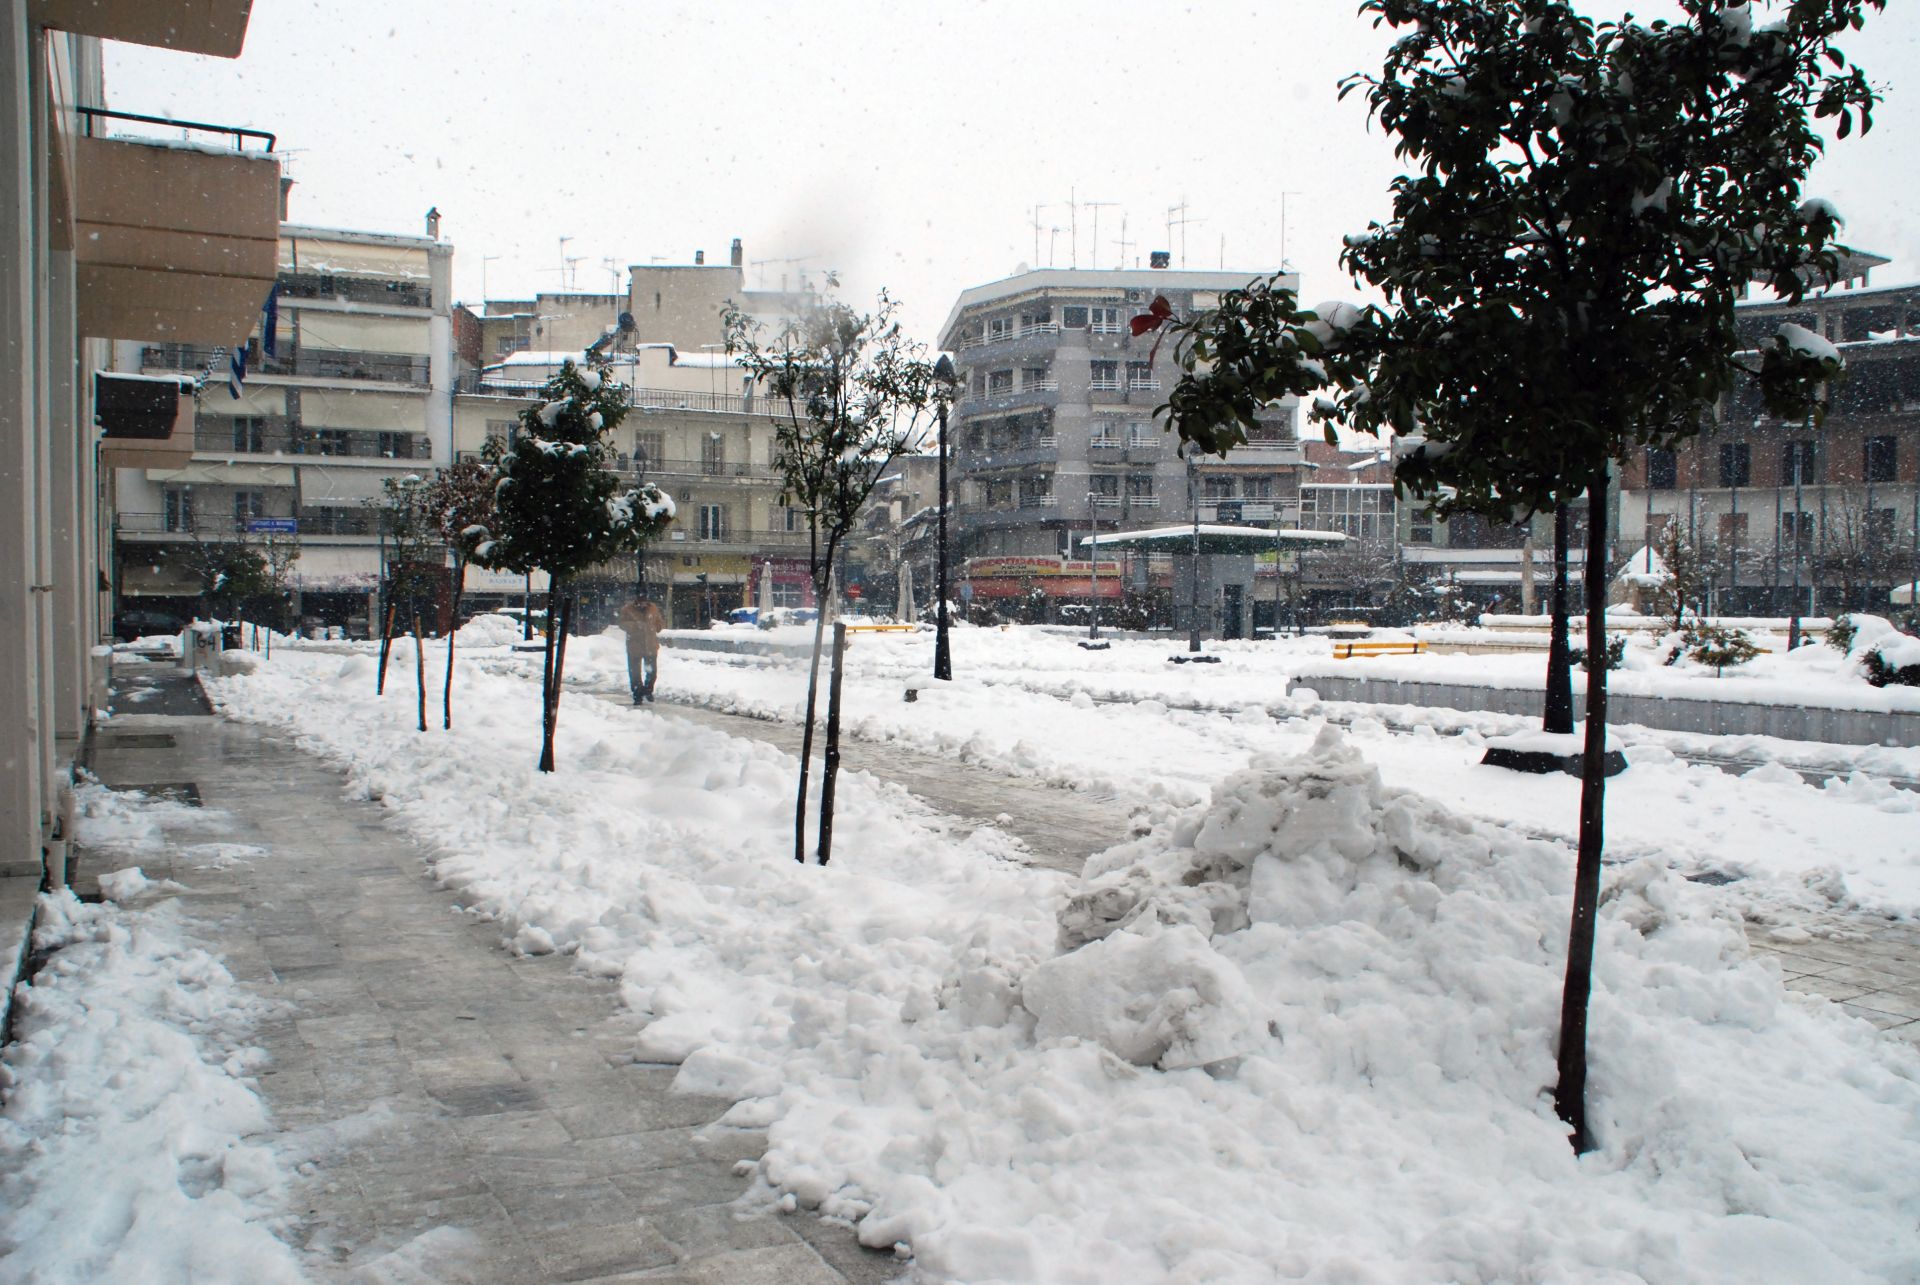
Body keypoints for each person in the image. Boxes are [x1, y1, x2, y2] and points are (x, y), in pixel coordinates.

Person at [617, 598, 664, 704]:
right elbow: (621, 623)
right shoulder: (627, 609)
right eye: (641, 601)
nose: (643, 604)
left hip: (650, 645)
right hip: (634, 646)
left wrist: (657, 626)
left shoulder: (653, 608)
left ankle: (648, 690)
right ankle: (637, 694)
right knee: (635, 673)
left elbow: (659, 622)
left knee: (652, 672)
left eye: (645, 601)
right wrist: (634, 626)